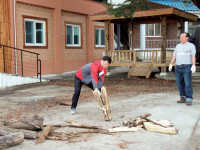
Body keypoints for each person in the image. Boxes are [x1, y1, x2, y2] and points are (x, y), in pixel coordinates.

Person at [169, 32, 196, 106]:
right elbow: (174, 56)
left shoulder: (191, 46)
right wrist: (171, 64)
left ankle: (189, 98)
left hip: (187, 66)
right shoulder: (178, 46)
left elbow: (193, 56)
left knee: (187, 83)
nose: (181, 38)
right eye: (180, 37)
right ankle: (183, 97)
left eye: (183, 37)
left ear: (187, 38)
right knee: (179, 83)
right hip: (178, 67)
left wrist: (193, 65)